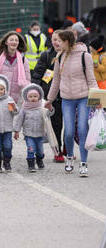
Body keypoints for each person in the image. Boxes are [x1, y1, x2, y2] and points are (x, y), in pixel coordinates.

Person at [45, 30, 98, 177]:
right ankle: (69, 158)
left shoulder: (84, 56)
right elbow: (56, 81)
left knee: (82, 130)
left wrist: (97, 100)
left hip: (83, 98)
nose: (57, 43)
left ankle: (83, 163)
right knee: (68, 132)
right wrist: (49, 100)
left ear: (67, 41)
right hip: (66, 99)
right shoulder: (60, 57)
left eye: (60, 41)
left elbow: (91, 79)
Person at [32, 29, 65, 163]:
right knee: (56, 125)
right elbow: (37, 75)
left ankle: (67, 148)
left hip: (69, 95)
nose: (56, 42)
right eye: (54, 39)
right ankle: (58, 150)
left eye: (59, 40)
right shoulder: (46, 55)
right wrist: (36, 92)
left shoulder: (70, 55)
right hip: (53, 97)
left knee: (69, 126)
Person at [14, 84, 54, 172]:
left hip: (40, 134)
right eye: (30, 96)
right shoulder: (24, 108)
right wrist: (17, 131)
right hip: (29, 134)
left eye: (35, 96)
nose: (33, 98)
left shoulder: (41, 107)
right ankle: (31, 164)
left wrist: (50, 109)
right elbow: (19, 120)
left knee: (40, 151)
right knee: (31, 149)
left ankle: (39, 160)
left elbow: (49, 114)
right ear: (26, 97)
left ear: (39, 96)